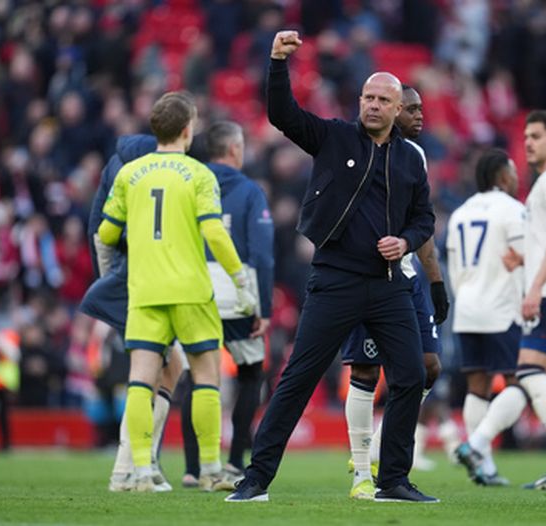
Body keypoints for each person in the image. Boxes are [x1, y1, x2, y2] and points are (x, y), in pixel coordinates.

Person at [226, 31, 437, 503]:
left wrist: (405, 240)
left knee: (411, 377)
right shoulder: (335, 136)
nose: (374, 105)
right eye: (368, 97)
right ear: (359, 100)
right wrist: (278, 63)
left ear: (398, 106)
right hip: (336, 278)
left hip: (387, 286)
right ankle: (256, 478)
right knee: (298, 379)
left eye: (384, 99)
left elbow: (425, 218)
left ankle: (393, 480)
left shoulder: (410, 159)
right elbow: (283, 115)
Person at [96, 91, 256, 492]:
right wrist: (240, 280)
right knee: (205, 378)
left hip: (145, 292)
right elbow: (214, 232)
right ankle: (210, 469)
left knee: (139, 380)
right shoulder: (199, 174)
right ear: (189, 130)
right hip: (190, 291)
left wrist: (112, 276)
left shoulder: (129, 174)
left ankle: (141, 471)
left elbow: (106, 233)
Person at [459, 110, 546, 489]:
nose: (529, 142)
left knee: (529, 370)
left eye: (536, 136)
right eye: (527, 136)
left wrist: (534, 286)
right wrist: (526, 259)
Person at [341, 85, 453, 500]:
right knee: (367, 372)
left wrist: (436, 281)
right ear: (395, 110)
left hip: (407, 277)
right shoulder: (361, 148)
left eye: (423, 108)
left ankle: (383, 447)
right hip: (369, 276)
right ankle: (361, 469)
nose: (421, 116)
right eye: (413, 109)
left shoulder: (415, 157)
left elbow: (421, 226)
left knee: (428, 368)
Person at [80, 134, 185, 492]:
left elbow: (99, 228)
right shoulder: (164, 168)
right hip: (147, 280)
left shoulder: (119, 165)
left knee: (164, 369)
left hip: (126, 278)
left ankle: (139, 463)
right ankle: (130, 468)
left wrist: (107, 277)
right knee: (153, 372)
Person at [180, 120, 274, 488]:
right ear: (235, 149)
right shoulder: (250, 192)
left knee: (195, 375)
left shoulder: (189, 185)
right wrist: (263, 307)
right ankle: (235, 460)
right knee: (251, 372)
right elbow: (262, 255)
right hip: (236, 293)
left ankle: (192, 467)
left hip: (192, 289)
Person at [446, 148, 526, 486]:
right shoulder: (514, 210)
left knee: (477, 388)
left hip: (467, 308)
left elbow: (453, 270)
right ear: (503, 176)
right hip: (503, 308)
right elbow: (526, 258)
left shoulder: (460, 213)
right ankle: (477, 445)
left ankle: (485, 467)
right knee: (521, 382)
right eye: (512, 169)